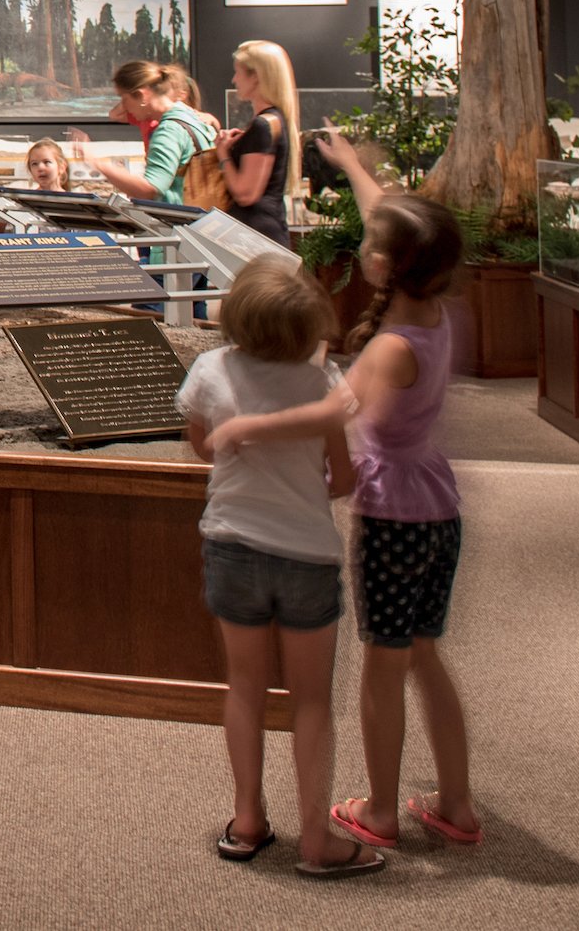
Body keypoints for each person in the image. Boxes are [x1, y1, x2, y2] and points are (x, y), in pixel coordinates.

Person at [211, 133, 483, 855]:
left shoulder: (391, 346)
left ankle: (384, 809)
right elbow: (387, 215)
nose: (368, 235)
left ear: (384, 264)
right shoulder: (434, 309)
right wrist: (356, 165)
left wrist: (249, 424)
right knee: (425, 653)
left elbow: (333, 411)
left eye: (375, 241)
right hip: (440, 507)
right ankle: (455, 801)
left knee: (383, 665)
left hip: (394, 516)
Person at [179, 258, 377, 878]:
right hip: (307, 554)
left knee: (244, 686)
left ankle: (247, 819)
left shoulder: (211, 370)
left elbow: (203, 444)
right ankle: (317, 836)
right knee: (312, 701)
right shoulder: (321, 385)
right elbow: (342, 478)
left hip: (232, 542)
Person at [64, 60, 219, 203]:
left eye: (124, 99)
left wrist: (95, 162)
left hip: (180, 225)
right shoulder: (189, 116)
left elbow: (150, 190)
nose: (124, 106)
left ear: (142, 95)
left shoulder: (169, 130)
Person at [216, 41, 302, 245]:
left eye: (238, 72)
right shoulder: (274, 121)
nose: (234, 79)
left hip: (255, 236)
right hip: (263, 232)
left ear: (255, 76)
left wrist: (223, 156)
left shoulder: (263, 125)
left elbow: (245, 193)